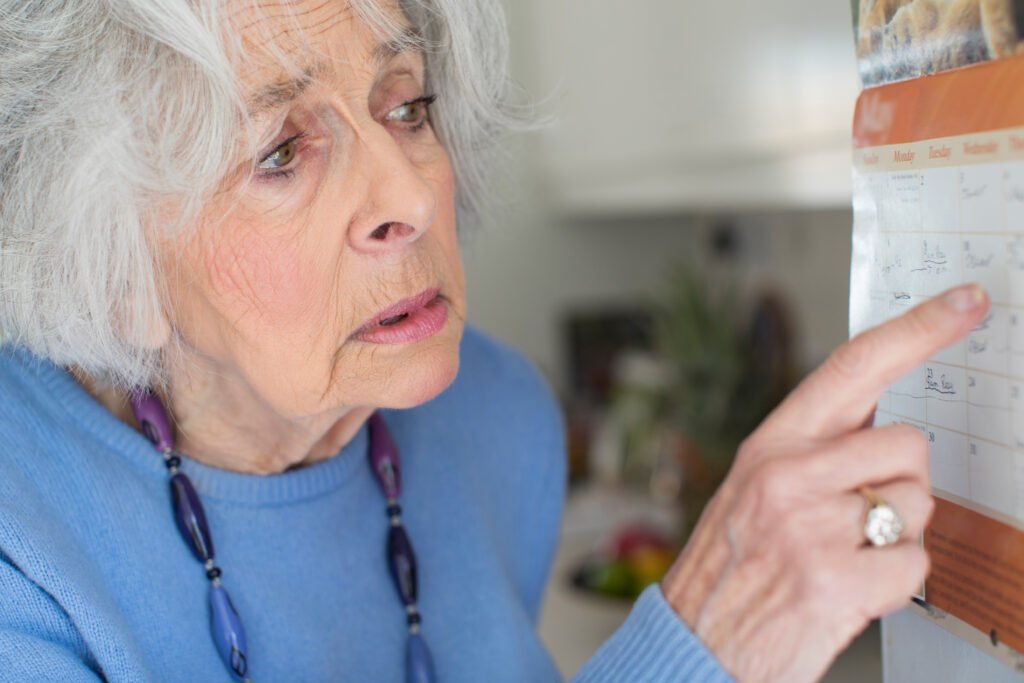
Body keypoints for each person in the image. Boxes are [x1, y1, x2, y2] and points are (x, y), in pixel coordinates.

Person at [0, 0, 990, 681]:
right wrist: (696, 648)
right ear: (115, 267)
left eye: (406, 105)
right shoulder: (22, 563)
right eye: (280, 152)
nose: (405, 195)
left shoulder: (494, 417)